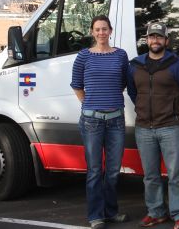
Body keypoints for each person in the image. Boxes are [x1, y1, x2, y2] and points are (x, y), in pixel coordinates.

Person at [127, 22, 179, 229]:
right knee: (150, 176)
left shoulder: (178, 64)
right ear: (147, 40)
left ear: (166, 41)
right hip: (144, 129)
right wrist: (143, 110)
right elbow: (134, 93)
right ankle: (156, 212)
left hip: (171, 127)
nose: (155, 40)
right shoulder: (136, 66)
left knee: (176, 175)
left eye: (159, 37)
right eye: (152, 37)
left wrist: (175, 112)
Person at [70, 15, 129, 229]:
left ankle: (110, 212)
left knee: (113, 171)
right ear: (92, 32)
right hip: (92, 122)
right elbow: (76, 84)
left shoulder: (121, 55)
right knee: (95, 171)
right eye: (97, 29)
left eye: (105, 29)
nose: (101, 33)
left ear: (110, 31)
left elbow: (123, 82)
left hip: (116, 121)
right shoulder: (84, 56)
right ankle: (96, 215)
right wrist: (89, 104)